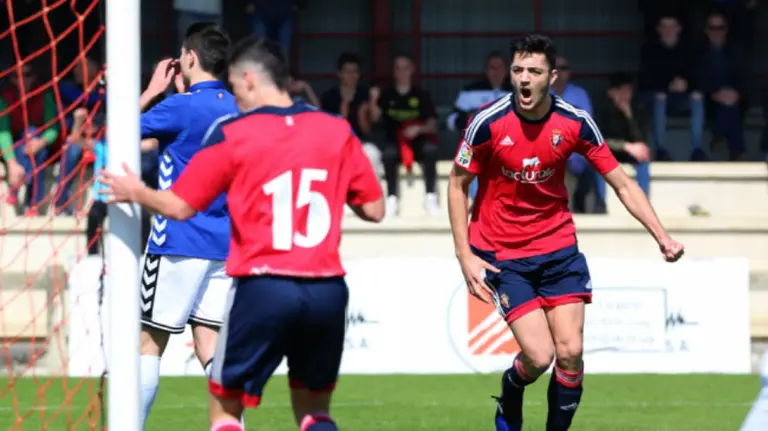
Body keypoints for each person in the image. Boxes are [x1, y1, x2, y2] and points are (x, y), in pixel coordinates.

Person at [99, 36, 385, 431]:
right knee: (314, 412)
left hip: (259, 283)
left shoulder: (234, 131)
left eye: (236, 88)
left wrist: (136, 191)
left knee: (222, 408)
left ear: (249, 79)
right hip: (326, 287)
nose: (235, 98)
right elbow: (374, 209)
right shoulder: (335, 129)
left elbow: (181, 205)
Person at [447, 34, 684, 431]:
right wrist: (464, 255)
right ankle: (511, 387)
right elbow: (456, 184)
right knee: (539, 357)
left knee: (571, 352)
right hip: (503, 254)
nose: (524, 79)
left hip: (558, 249)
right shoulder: (487, 123)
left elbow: (623, 183)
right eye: (518, 70)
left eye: (534, 71)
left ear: (551, 77)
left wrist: (662, 235)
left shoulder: (575, 122)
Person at [134, 22, 239, 429]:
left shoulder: (179, 107)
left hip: (177, 240)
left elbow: (115, 132)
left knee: (148, 343)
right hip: (224, 245)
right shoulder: (239, 107)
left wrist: (151, 91)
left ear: (188, 59)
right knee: (208, 344)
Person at [369, 54, 439, 217]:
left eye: (405, 67)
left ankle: (431, 197)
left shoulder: (421, 94)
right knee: (388, 155)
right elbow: (374, 117)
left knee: (431, 151)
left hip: (418, 140)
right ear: (394, 71)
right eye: (398, 68)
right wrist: (373, 100)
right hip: (394, 140)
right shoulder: (386, 94)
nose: (402, 72)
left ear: (412, 70)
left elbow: (433, 125)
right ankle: (392, 198)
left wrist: (418, 129)